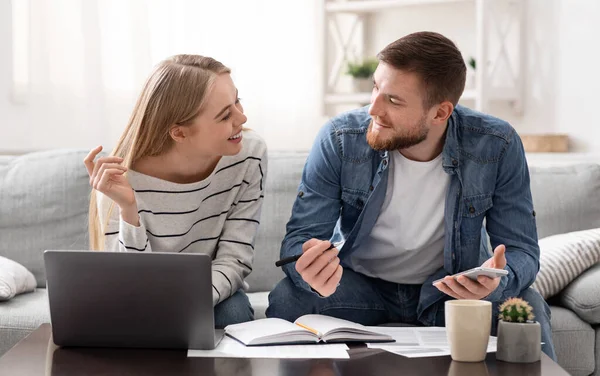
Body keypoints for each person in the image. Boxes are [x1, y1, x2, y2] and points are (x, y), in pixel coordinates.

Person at [266, 31, 556, 360]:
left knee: (527, 306)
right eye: (376, 87)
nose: (373, 108)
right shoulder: (340, 138)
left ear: (440, 113)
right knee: (289, 297)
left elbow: (522, 251)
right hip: (359, 287)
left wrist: (496, 282)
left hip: (450, 292)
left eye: (393, 100)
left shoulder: (497, 144)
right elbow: (298, 241)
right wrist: (309, 269)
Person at [84, 54, 267, 328]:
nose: (242, 117)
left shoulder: (248, 154)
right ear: (179, 133)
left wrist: (187, 303)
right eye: (225, 115)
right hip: (140, 299)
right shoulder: (116, 177)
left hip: (209, 291)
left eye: (237, 101)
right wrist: (128, 210)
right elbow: (126, 284)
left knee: (233, 313)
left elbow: (234, 258)